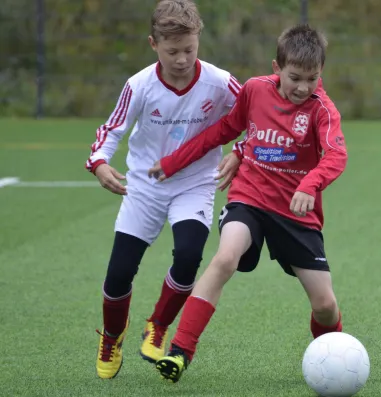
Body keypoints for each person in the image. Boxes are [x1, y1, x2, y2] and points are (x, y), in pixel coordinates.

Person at [147, 23, 348, 383]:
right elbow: (224, 130)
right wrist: (173, 161)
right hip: (249, 198)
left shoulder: (323, 110)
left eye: (312, 78)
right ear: (276, 68)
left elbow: (336, 156)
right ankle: (179, 352)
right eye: (295, 77)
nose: (303, 87)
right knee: (225, 258)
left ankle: (335, 358)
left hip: (296, 214)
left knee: (325, 305)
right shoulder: (255, 90)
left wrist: (309, 184)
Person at [86, 0, 245, 379]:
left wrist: (239, 152)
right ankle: (112, 336)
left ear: (198, 41)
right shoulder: (139, 84)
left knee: (190, 254)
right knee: (119, 273)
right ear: (153, 44)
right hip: (144, 186)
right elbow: (111, 131)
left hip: (194, 183)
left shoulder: (220, 82)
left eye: (189, 49)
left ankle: (158, 325)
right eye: (172, 51)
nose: (181, 59)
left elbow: (257, 114)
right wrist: (100, 163)